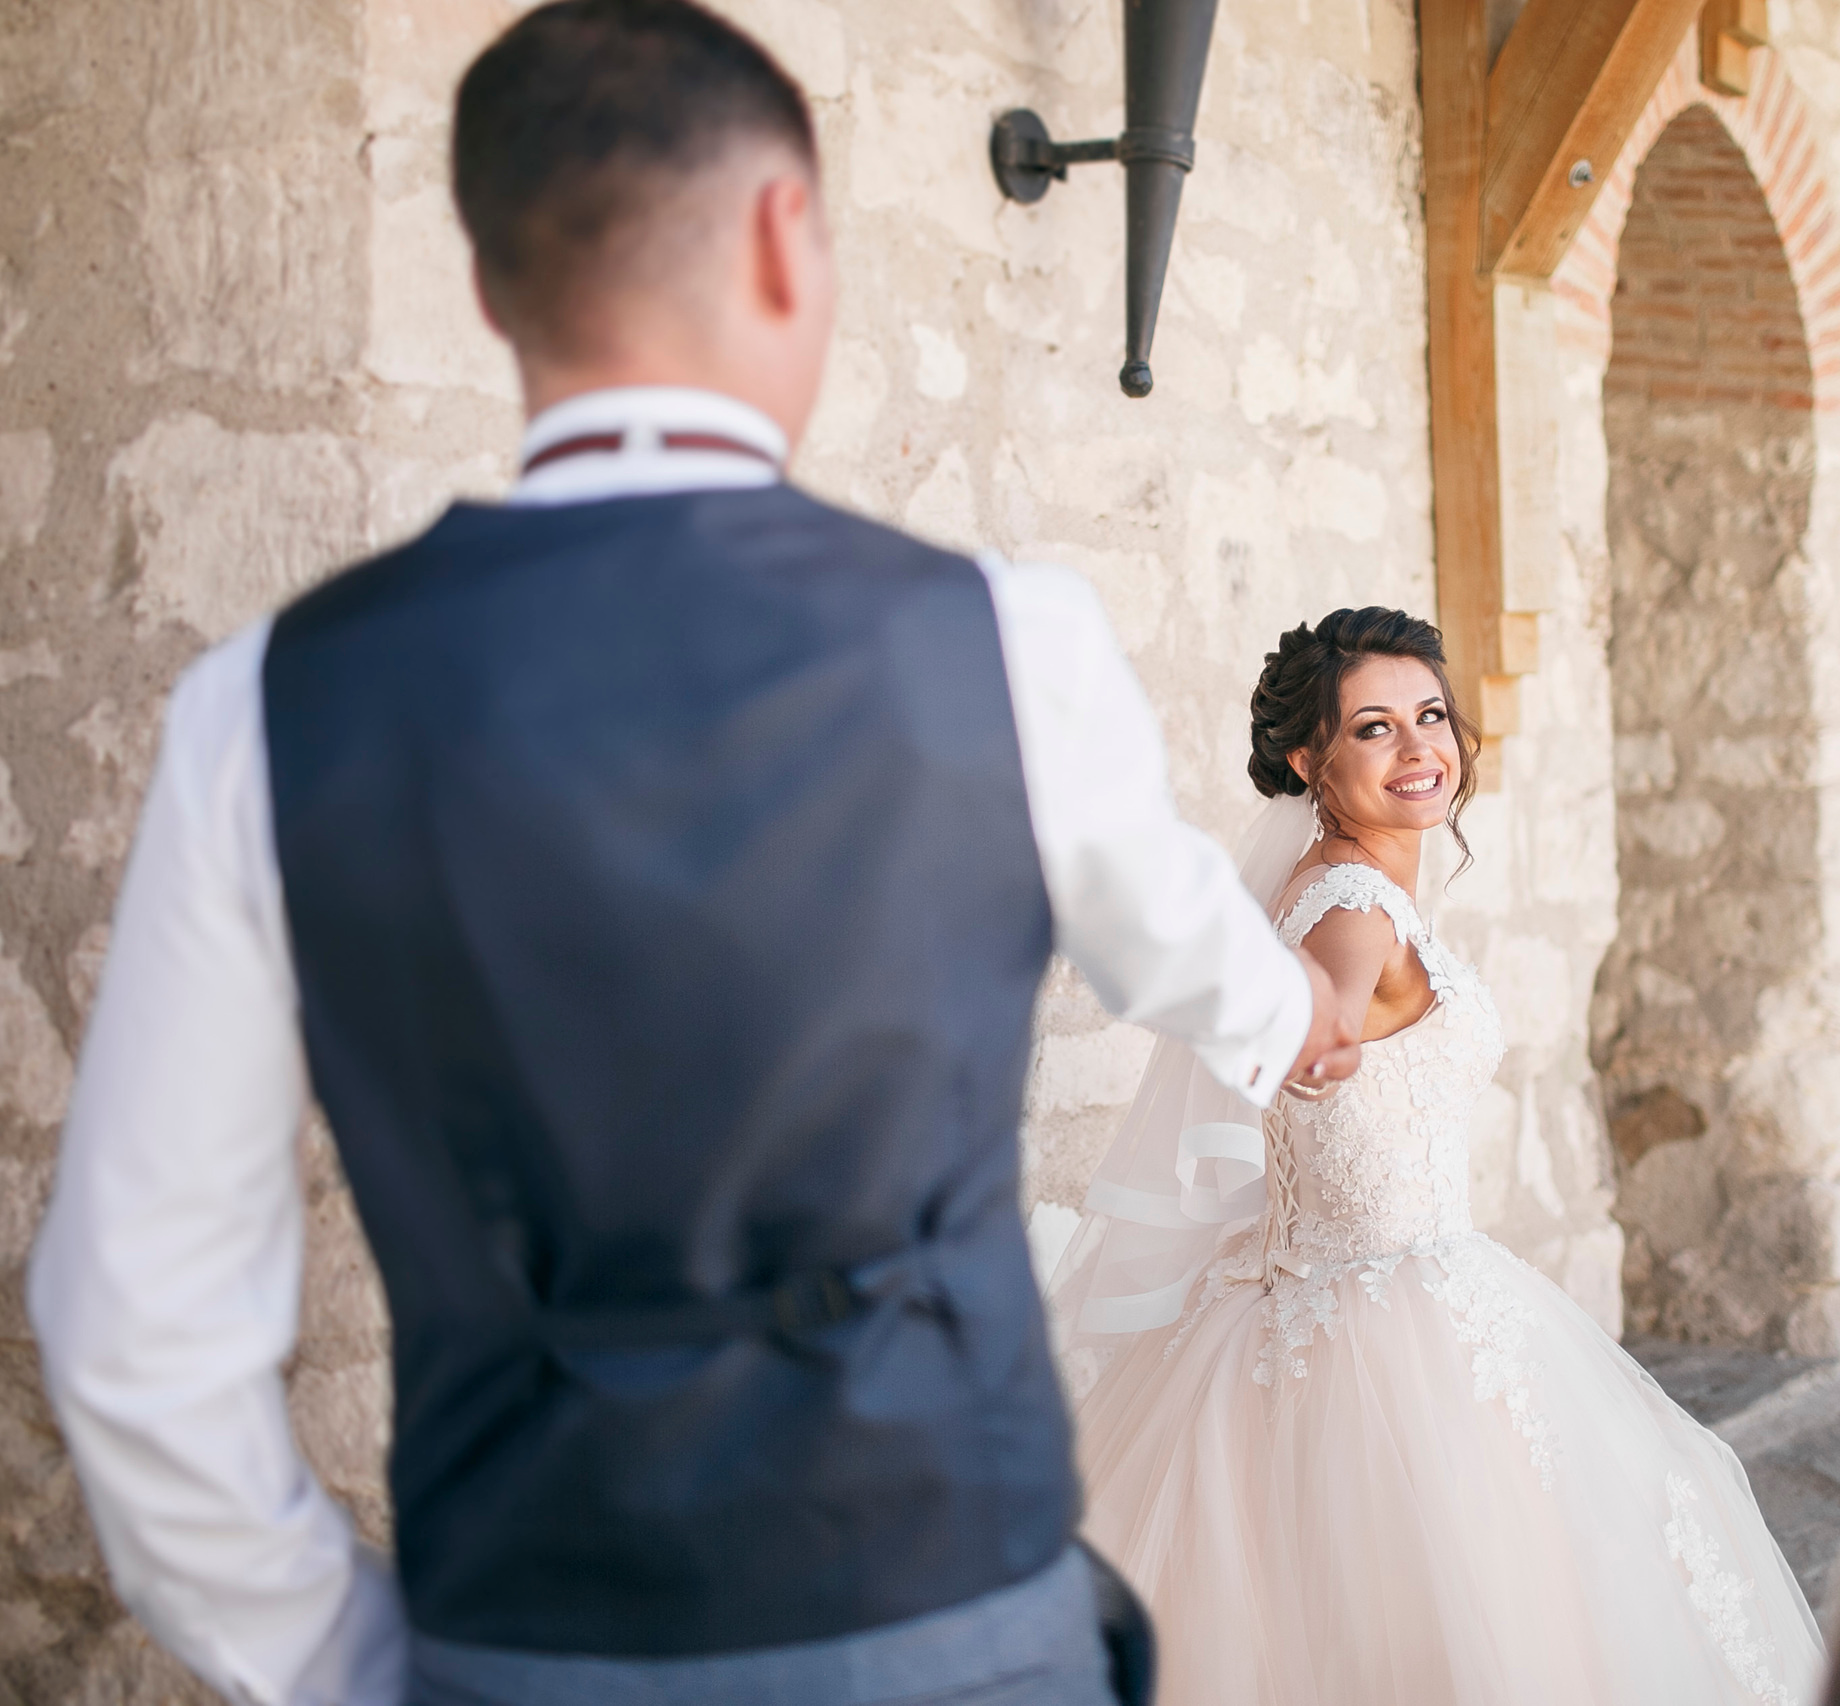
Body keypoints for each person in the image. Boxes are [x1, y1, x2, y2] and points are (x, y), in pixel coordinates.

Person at [26, 4, 1361, 1703]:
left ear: (496, 281)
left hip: (523, 1633)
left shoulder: (270, 707)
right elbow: (1170, 921)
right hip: (947, 1613)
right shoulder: (1000, 643)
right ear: (784, 241)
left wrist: (357, 1662)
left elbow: (131, 1322)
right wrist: (1283, 1015)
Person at [1048, 607, 1827, 1706]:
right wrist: (1306, 1032)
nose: (1420, 749)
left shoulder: (1339, 875)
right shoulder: (1354, 905)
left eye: (1429, 715)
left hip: (1338, 1290)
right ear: (1306, 758)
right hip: (1388, 1312)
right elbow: (1325, 999)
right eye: (1374, 727)